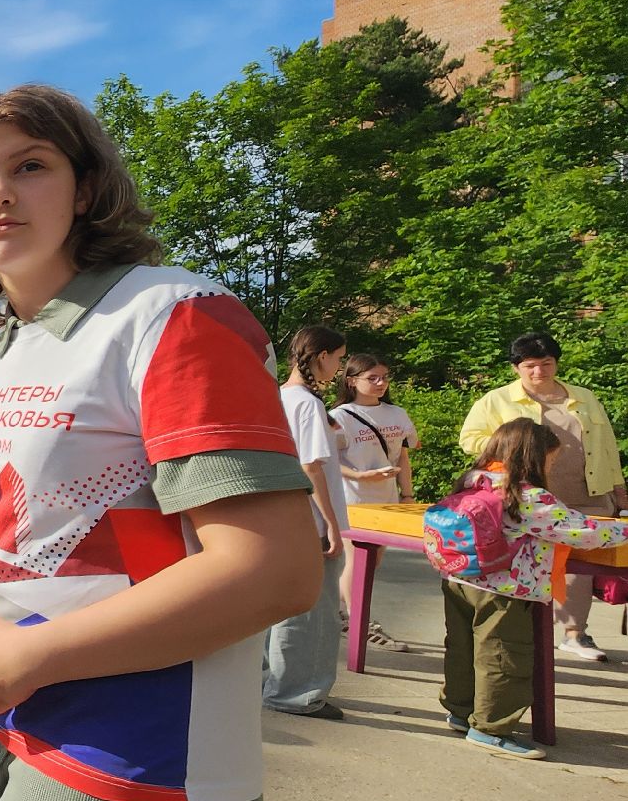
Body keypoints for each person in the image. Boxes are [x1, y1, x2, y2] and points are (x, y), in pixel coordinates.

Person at [0, 85, 319, 801]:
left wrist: (40, 654)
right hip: (19, 709)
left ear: (85, 187)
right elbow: (38, 524)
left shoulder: (171, 311)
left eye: (30, 166)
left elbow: (275, 568)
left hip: (140, 735)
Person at [438, 419, 628, 759]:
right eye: (550, 459)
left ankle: (460, 711)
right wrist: (622, 532)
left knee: (462, 649)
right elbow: (579, 531)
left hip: (462, 578)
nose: (551, 466)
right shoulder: (527, 495)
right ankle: (492, 728)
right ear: (533, 456)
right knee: (504, 656)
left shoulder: (474, 480)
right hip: (507, 588)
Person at [460, 332, 628, 663]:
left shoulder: (583, 397)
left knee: (585, 563)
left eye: (546, 364)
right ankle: (525, 632)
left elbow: (607, 446)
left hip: (590, 492)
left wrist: (619, 491)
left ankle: (575, 634)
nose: (539, 372)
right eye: (530, 366)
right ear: (516, 368)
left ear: (557, 363)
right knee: (534, 564)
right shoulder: (497, 400)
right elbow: (470, 439)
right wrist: (512, 450)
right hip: (534, 499)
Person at [265, 325, 351, 720]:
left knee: (279, 608)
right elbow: (311, 465)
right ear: (322, 357)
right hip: (310, 520)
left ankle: (273, 683)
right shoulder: (308, 404)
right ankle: (299, 693)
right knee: (313, 612)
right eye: (338, 358)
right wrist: (331, 524)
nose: (339, 367)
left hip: (280, 517)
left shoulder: (273, 396)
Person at [331, 353, 417, 651]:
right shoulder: (339, 417)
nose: (381, 383)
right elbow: (326, 461)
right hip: (352, 499)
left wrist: (407, 494)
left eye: (384, 377)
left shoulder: (397, 414)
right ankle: (360, 621)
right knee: (356, 559)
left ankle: (339, 612)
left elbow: (403, 457)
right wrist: (359, 475)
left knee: (374, 560)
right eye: (373, 378)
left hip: (387, 500)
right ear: (352, 381)